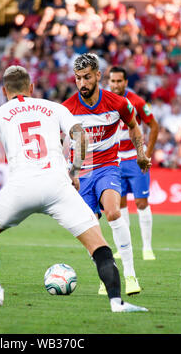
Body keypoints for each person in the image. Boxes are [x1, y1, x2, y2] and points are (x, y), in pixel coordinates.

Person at [0, 65, 148, 313]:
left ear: (4, 91)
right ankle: (117, 303)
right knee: (99, 244)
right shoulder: (55, 107)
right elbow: (80, 136)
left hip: (21, 188)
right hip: (57, 186)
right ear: (31, 88)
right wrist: (74, 173)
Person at [62, 53, 151, 296]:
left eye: (87, 77)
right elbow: (62, 143)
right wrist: (66, 171)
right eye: (78, 78)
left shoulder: (117, 103)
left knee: (113, 212)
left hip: (108, 165)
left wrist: (141, 154)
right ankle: (107, 274)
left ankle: (131, 275)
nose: (82, 83)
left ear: (98, 76)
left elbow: (134, 126)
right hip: (82, 170)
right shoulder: (67, 109)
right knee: (90, 228)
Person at [108, 66, 159, 260]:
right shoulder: (104, 101)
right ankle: (124, 247)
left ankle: (147, 247)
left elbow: (154, 126)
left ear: (126, 82)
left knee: (141, 202)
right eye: (112, 81)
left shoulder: (137, 101)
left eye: (119, 81)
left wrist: (147, 153)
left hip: (135, 158)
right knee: (119, 204)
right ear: (109, 81)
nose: (116, 84)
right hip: (114, 160)